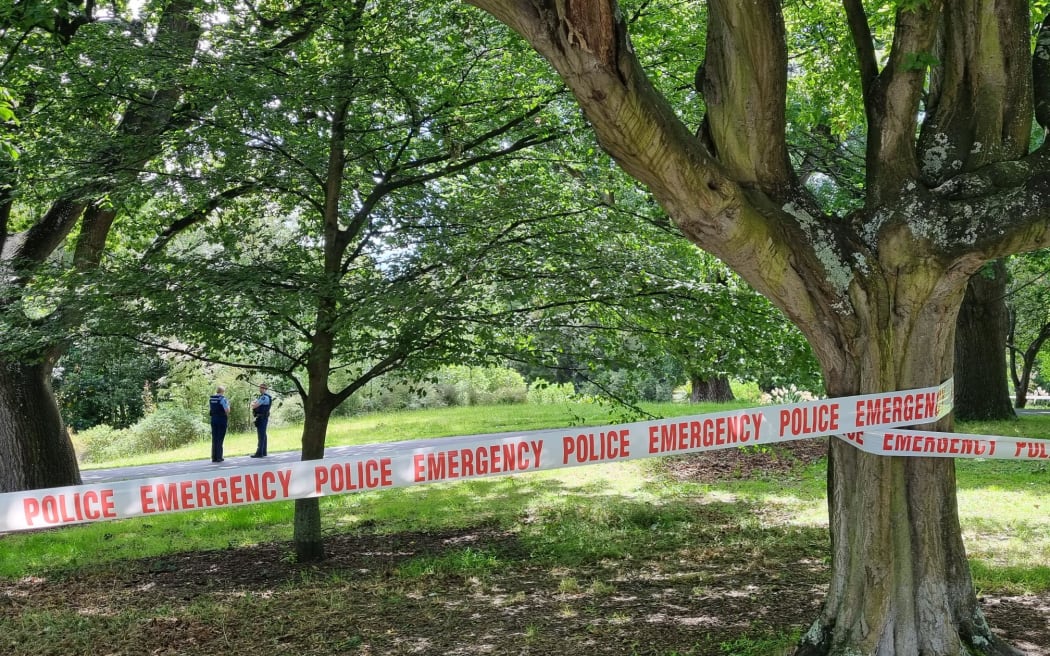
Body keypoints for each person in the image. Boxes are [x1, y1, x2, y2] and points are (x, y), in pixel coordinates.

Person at [208, 385, 230, 463]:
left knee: (214, 438)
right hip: (221, 420)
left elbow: (211, 409)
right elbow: (227, 410)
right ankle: (219, 457)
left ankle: (214, 457)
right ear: (222, 392)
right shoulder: (222, 399)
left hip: (213, 420)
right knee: (220, 438)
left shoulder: (211, 399)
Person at [250, 382, 272, 457]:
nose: (261, 389)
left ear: (266, 389)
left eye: (262, 388)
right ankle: (263, 452)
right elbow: (254, 404)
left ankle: (259, 453)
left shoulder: (264, 397)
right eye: (260, 387)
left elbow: (254, 405)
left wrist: (253, 405)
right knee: (263, 435)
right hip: (262, 417)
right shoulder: (262, 397)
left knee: (261, 435)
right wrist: (254, 404)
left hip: (262, 418)